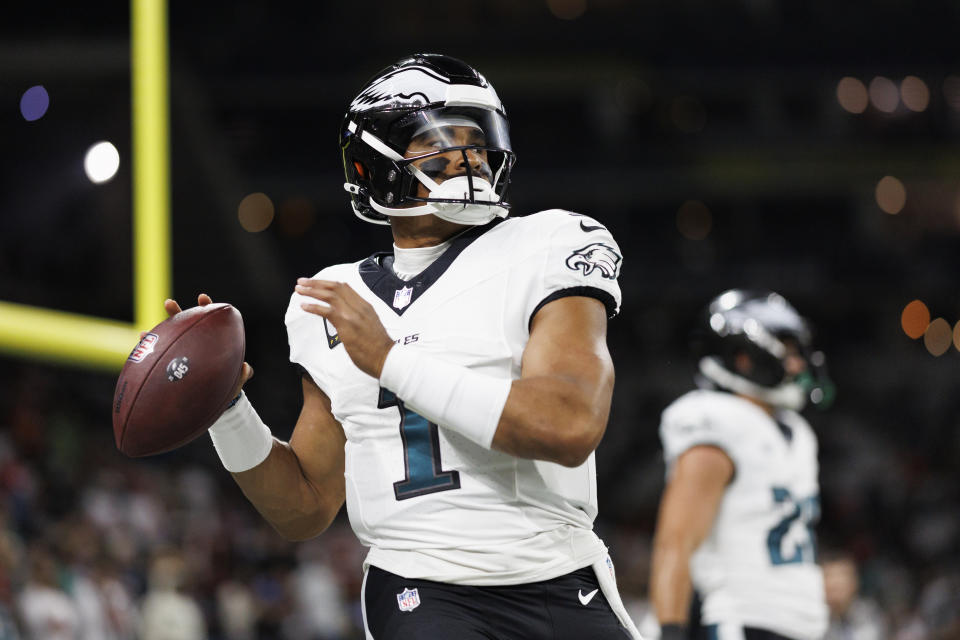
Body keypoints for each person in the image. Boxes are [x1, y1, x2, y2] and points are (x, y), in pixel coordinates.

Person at [162, 53, 641, 639]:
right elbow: (307, 506)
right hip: (421, 584)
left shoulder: (548, 242)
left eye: (475, 139)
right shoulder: (330, 299)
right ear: (373, 165)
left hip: (562, 575)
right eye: (438, 141)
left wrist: (391, 359)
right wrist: (227, 411)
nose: (467, 157)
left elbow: (569, 426)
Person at [649, 289, 834, 640]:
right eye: (788, 351)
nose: (798, 364)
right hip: (741, 621)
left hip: (798, 624)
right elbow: (676, 542)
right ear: (744, 357)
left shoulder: (797, 432)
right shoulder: (716, 420)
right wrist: (670, 630)